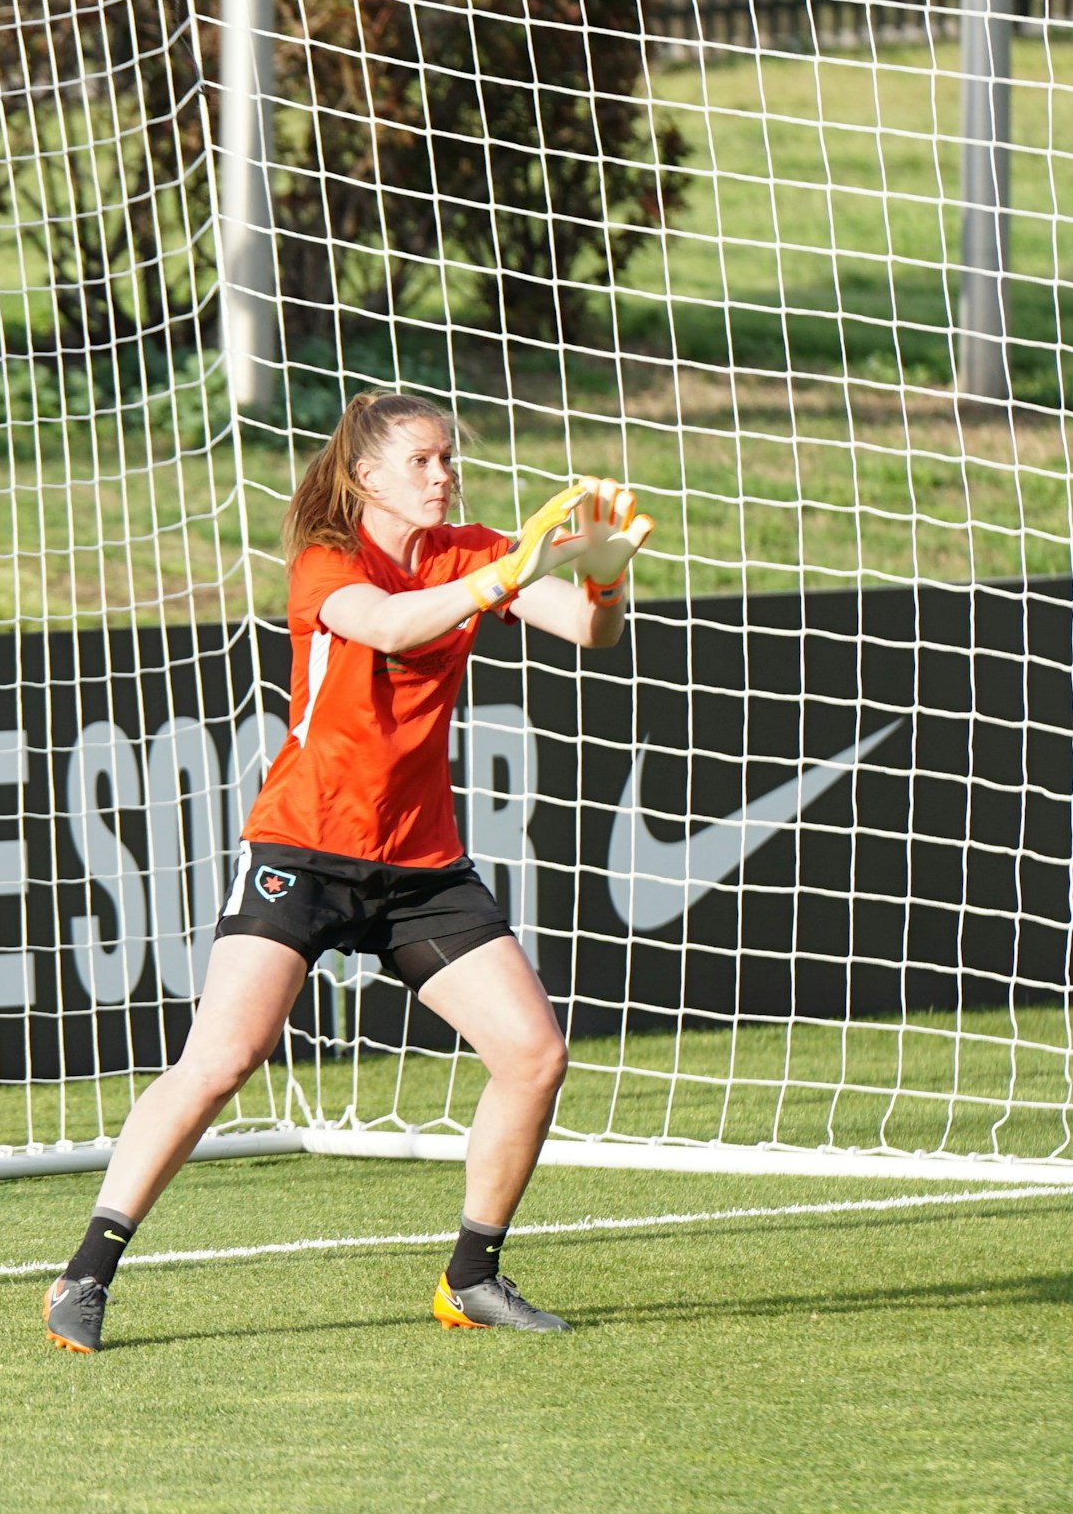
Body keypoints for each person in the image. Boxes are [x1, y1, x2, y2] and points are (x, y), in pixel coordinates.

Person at [43, 390, 652, 1352]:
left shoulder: (468, 551)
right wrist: (505, 573)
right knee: (222, 1060)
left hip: (420, 863)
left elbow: (589, 631)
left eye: (447, 458)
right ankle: (86, 1272)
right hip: (304, 848)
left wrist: (606, 581)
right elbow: (396, 625)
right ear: (366, 477)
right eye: (422, 461)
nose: (443, 475)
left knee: (535, 1055)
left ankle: (471, 1277)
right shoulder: (327, 563)